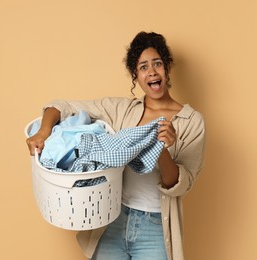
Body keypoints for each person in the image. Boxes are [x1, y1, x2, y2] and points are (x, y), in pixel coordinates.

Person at [26, 31, 206, 260]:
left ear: (167, 67)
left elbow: (181, 185)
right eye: (143, 67)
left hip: (154, 227)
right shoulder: (121, 110)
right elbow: (61, 105)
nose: (151, 71)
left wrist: (161, 151)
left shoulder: (192, 122)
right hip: (112, 219)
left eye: (157, 63)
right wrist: (43, 131)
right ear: (135, 75)